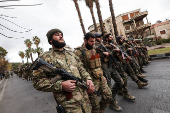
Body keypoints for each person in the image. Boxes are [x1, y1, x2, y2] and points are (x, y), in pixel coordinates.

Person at [32, 28, 95, 113]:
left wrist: (88, 79)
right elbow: (37, 82)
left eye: (61, 34)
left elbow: (81, 68)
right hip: (69, 104)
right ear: (50, 40)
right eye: (57, 34)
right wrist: (61, 85)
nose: (60, 36)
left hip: (85, 100)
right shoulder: (45, 57)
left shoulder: (71, 54)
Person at [74, 32, 112, 113]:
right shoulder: (78, 52)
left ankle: (101, 110)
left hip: (100, 77)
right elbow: (77, 69)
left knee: (108, 96)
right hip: (90, 81)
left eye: (94, 41)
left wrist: (103, 75)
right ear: (85, 40)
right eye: (91, 41)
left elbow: (98, 64)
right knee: (95, 105)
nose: (93, 43)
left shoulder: (94, 49)